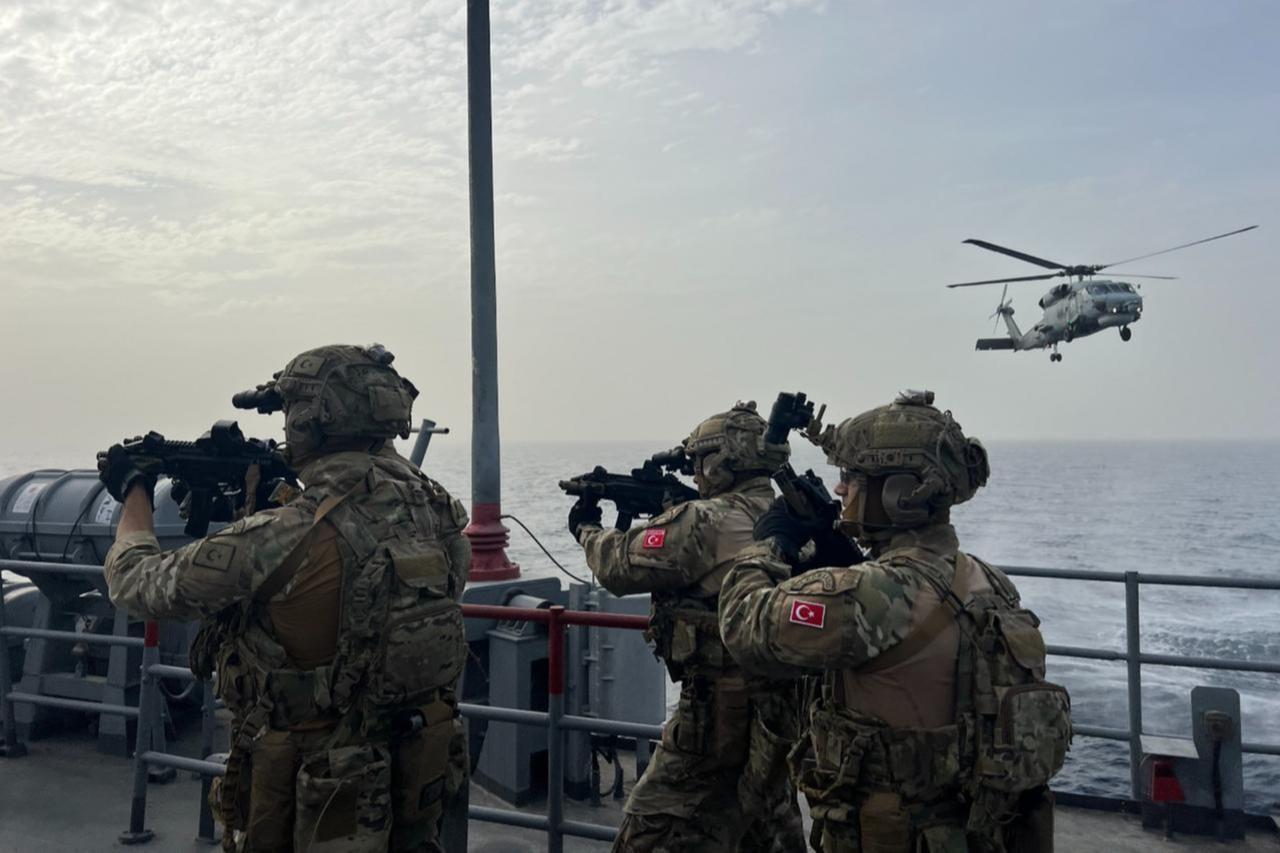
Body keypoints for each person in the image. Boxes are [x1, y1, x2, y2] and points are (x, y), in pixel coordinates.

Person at [98, 344, 469, 853]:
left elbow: (134, 583)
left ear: (308, 423)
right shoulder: (440, 513)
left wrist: (133, 485)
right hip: (408, 766)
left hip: (316, 785)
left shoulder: (285, 534)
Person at [719, 391, 1071, 853]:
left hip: (888, 833)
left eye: (852, 477)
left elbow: (742, 624)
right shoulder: (990, 581)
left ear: (899, 494)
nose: (841, 489)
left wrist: (769, 545)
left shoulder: (878, 593)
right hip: (971, 830)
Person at [567, 402, 807, 853]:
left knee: (649, 831)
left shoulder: (705, 519)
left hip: (713, 716)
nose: (695, 471)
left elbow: (620, 567)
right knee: (766, 824)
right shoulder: (787, 515)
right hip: (776, 714)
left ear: (723, 459)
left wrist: (587, 529)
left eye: (701, 459)